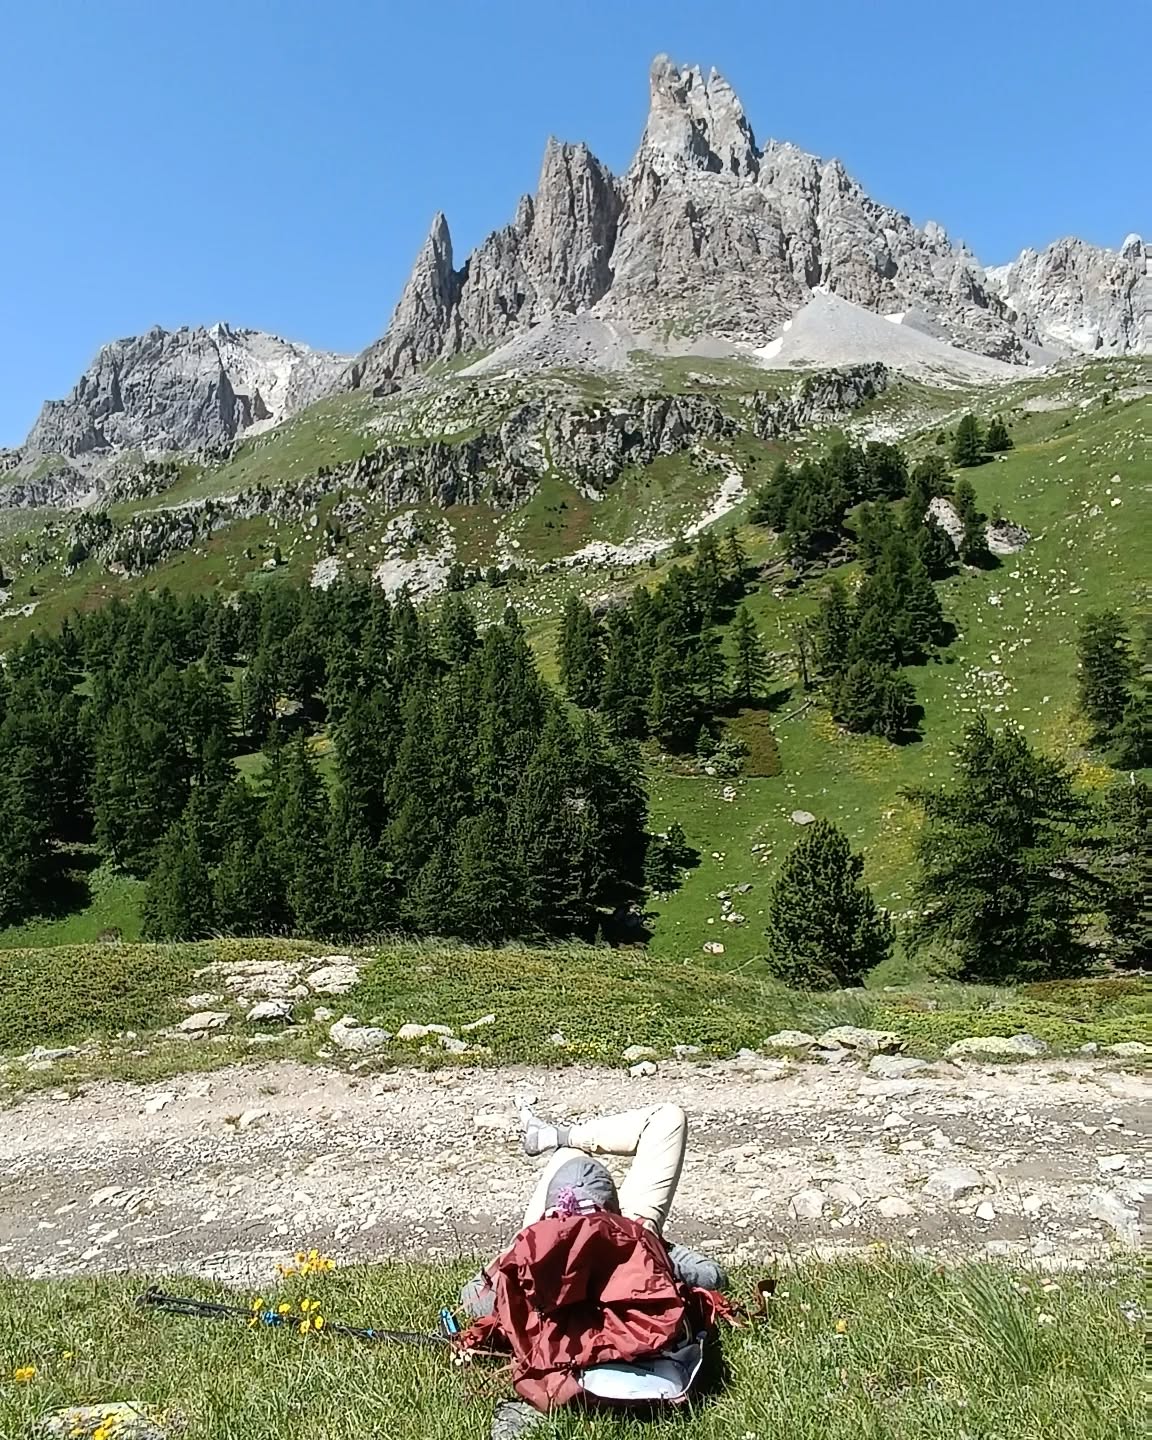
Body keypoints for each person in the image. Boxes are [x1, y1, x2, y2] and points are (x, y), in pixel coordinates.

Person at [461, 1101, 727, 1318]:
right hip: (627, 1244)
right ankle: (557, 1136)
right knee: (668, 1118)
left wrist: (512, 1255)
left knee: (568, 1158)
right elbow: (711, 1275)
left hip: (545, 1250)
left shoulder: (529, 1270)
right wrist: (654, 1247)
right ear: (612, 1213)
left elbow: (473, 1299)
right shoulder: (637, 1259)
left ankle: (552, 1139)